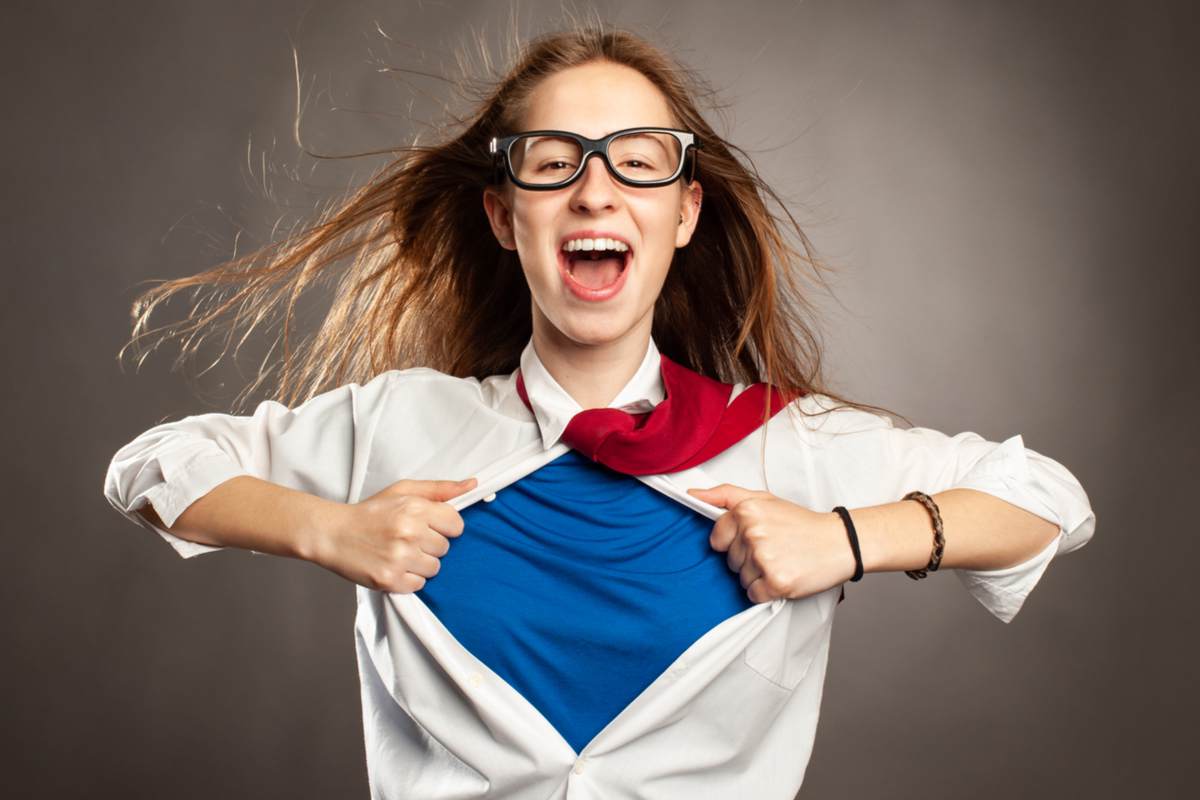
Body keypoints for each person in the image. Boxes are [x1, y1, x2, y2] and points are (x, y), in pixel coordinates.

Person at [103, 24, 1096, 799]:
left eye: (638, 158)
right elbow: (153, 467)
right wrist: (333, 528)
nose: (595, 190)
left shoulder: (784, 445)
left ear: (685, 212)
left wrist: (849, 537)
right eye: (552, 159)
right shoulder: (403, 425)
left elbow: (1047, 499)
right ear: (504, 214)